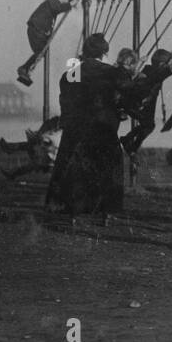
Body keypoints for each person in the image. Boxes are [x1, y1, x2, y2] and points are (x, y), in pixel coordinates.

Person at [49, 33, 135, 220]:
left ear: (85, 52)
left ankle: (67, 209)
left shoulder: (72, 73)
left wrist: (68, 120)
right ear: (105, 52)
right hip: (104, 126)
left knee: (72, 166)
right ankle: (106, 212)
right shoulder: (113, 72)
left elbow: (65, 100)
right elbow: (128, 95)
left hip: (77, 127)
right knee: (107, 167)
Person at [118, 47, 172, 155]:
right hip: (142, 103)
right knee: (148, 125)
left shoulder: (148, 70)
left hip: (145, 102)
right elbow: (169, 67)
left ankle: (128, 141)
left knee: (148, 125)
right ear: (161, 64)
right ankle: (129, 143)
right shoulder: (156, 73)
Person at [17, 0, 75, 86]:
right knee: (41, 51)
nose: (67, 0)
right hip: (36, 29)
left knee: (42, 52)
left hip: (39, 30)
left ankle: (25, 69)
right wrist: (69, 5)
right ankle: (24, 69)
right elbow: (56, 9)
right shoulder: (52, 0)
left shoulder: (53, 1)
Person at [0, 115, 62, 180]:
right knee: (32, 163)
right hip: (49, 156)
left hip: (51, 157)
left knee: (33, 162)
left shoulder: (57, 133)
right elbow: (46, 139)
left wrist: (37, 137)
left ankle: (9, 149)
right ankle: (12, 171)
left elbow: (48, 141)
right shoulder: (56, 132)